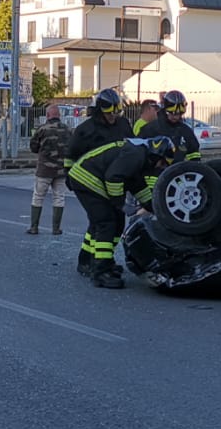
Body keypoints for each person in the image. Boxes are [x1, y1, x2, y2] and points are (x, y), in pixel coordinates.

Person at [68, 135, 176, 289]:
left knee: (113, 222)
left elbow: (137, 184)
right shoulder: (137, 154)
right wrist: (119, 204)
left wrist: (153, 206)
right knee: (106, 222)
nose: (161, 167)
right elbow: (113, 177)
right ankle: (101, 272)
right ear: (157, 153)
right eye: (162, 162)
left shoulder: (141, 157)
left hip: (90, 177)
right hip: (87, 178)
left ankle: (89, 261)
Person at [63, 89, 133, 276]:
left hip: (115, 182)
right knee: (103, 221)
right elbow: (70, 156)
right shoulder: (86, 130)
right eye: (109, 113)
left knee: (116, 222)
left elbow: (131, 150)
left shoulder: (123, 125)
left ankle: (98, 258)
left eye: (115, 113)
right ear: (99, 110)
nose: (112, 116)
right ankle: (96, 262)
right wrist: (69, 177)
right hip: (90, 181)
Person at [26, 103, 69, 236]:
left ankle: (34, 227)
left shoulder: (42, 129)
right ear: (59, 115)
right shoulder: (68, 130)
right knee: (59, 197)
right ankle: (56, 229)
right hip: (61, 170)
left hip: (44, 169)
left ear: (48, 115)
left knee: (38, 197)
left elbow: (33, 147)